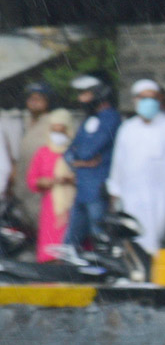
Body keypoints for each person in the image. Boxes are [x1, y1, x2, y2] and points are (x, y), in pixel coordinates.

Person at [106, 80, 165, 256]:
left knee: (164, 234)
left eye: (153, 98)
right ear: (135, 100)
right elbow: (118, 164)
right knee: (138, 237)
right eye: (144, 98)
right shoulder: (127, 129)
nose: (149, 102)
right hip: (134, 196)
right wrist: (115, 193)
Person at [62, 74, 121, 252]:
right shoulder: (89, 119)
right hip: (82, 189)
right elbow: (68, 154)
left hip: (98, 189)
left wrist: (80, 158)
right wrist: (80, 161)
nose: (81, 99)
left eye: (85, 94)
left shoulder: (111, 118)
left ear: (99, 93)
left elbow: (87, 151)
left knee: (100, 240)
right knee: (70, 243)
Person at [24, 109, 77, 262]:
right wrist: (46, 181)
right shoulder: (43, 153)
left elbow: (85, 177)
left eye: (62, 130)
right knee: (49, 251)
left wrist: (69, 180)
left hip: (72, 207)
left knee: (69, 252)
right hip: (50, 209)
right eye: (54, 130)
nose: (58, 134)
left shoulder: (76, 152)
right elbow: (32, 180)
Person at [15, 82, 54, 226]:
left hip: (42, 191)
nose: (34, 101)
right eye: (31, 98)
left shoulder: (53, 123)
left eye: (39, 98)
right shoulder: (25, 122)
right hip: (24, 191)